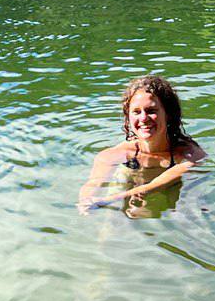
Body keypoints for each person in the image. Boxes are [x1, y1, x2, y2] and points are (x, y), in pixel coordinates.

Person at [77, 75, 206, 215]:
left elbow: (154, 186)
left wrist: (106, 200)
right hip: (128, 209)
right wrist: (85, 202)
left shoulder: (190, 154)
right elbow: (94, 183)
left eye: (151, 111)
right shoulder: (114, 154)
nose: (143, 118)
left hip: (171, 211)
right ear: (128, 117)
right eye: (136, 112)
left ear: (168, 114)